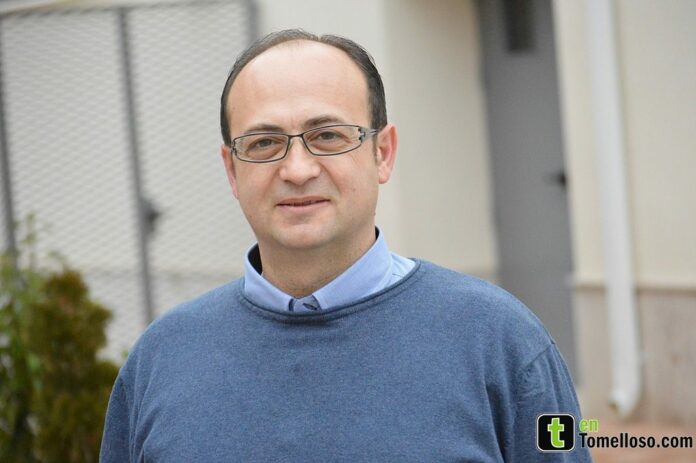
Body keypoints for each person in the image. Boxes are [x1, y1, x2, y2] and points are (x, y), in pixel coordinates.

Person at [100, 29, 592, 462]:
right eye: (264, 143)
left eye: (328, 135)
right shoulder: (160, 361)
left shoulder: (501, 343)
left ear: (382, 153)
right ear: (232, 170)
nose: (297, 169)